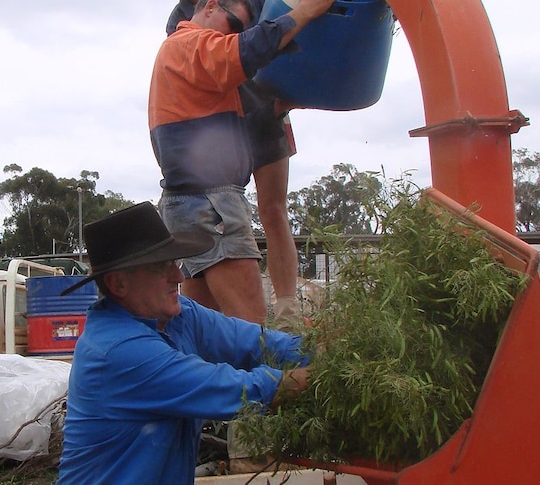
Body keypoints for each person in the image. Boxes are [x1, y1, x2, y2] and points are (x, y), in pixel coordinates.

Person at [56, 202, 310, 485]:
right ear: (118, 284)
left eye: (174, 263)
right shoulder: (118, 352)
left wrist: (320, 350)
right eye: (160, 267)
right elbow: (239, 391)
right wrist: (311, 379)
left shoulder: (179, 315)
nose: (178, 276)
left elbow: (256, 342)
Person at [149, 0, 334, 324]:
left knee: (208, 336)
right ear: (209, 6)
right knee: (251, 334)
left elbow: (227, 132)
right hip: (211, 206)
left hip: (185, 209)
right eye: (234, 23)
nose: (237, 33)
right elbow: (249, 49)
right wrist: (306, 11)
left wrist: (276, 107)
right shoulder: (191, 44)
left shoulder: (186, 59)